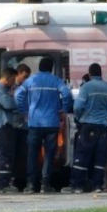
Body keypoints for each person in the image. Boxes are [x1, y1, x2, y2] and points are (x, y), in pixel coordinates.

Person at [63, 63, 107, 194]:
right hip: (103, 126)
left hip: (87, 125)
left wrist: (80, 117)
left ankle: (77, 185)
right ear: (101, 73)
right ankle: (97, 185)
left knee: (82, 156)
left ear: (90, 73)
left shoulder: (86, 87)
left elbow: (77, 107)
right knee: (100, 156)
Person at [15, 57, 73, 194]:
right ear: (51, 68)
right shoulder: (56, 81)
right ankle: (45, 185)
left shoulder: (31, 81)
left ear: (39, 68)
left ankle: (30, 185)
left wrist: (25, 110)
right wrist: (64, 110)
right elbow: (66, 93)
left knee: (32, 154)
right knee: (49, 154)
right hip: (52, 123)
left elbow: (18, 95)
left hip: (34, 123)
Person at [0, 67, 20, 194]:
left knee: (0, 156)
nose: (14, 82)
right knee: (6, 154)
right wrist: (15, 102)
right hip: (3, 125)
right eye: (13, 79)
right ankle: (3, 184)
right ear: (8, 77)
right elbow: (8, 104)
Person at [11, 64, 32, 190]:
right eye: (24, 76)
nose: (26, 79)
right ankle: (14, 179)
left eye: (28, 77)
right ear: (18, 74)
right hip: (15, 125)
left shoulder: (27, 88)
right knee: (14, 153)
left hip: (24, 125)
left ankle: (21, 179)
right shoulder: (12, 87)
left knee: (23, 153)